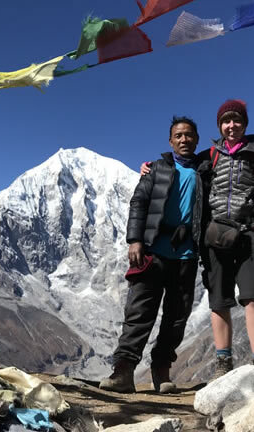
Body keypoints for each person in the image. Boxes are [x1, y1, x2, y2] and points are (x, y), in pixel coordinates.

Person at [99, 116, 210, 393]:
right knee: (139, 312)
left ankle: (161, 372)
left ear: (197, 139)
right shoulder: (156, 169)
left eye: (189, 135)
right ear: (171, 141)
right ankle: (123, 371)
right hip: (152, 251)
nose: (184, 140)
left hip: (185, 255)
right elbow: (139, 203)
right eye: (179, 136)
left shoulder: (206, 171)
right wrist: (135, 240)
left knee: (176, 317)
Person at [204, 99, 254, 377]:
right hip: (218, 234)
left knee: (253, 297)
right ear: (220, 125)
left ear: (245, 124)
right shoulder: (211, 155)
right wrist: (152, 166)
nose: (231, 125)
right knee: (219, 300)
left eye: (237, 120)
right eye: (226, 121)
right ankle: (223, 362)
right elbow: (184, 167)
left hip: (252, 233)